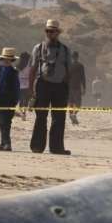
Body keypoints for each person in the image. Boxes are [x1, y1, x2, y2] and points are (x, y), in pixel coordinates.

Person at [28, 19, 72, 155]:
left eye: (52, 31)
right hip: (42, 85)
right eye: (48, 31)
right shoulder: (38, 48)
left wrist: (67, 89)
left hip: (60, 87)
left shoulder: (65, 50)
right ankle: (37, 147)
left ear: (58, 33)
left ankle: (57, 148)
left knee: (59, 118)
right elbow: (32, 69)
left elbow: (69, 71)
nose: (50, 33)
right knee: (41, 117)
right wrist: (30, 90)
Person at [0, 46, 20, 151]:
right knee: (1, 122)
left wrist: (15, 101)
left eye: (9, 59)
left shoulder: (14, 72)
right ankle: (3, 143)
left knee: (6, 122)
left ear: (12, 60)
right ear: (2, 59)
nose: (7, 61)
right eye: (5, 59)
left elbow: (16, 87)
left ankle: (7, 143)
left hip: (10, 101)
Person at [67, 50, 87, 126]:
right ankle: (74, 115)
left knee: (70, 103)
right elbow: (83, 77)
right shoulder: (80, 66)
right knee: (78, 104)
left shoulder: (68, 66)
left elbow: (66, 77)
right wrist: (84, 87)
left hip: (69, 87)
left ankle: (71, 116)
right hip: (77, 87)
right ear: (77, 57)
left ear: (72, 57)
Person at [16, 51, 32, 120]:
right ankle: (24, 113)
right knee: (26, 101)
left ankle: (22, 113)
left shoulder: (17, 66)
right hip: (27, 85)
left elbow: (15, 75)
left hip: (20, 85)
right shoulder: (30, 66)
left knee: (21, 100)